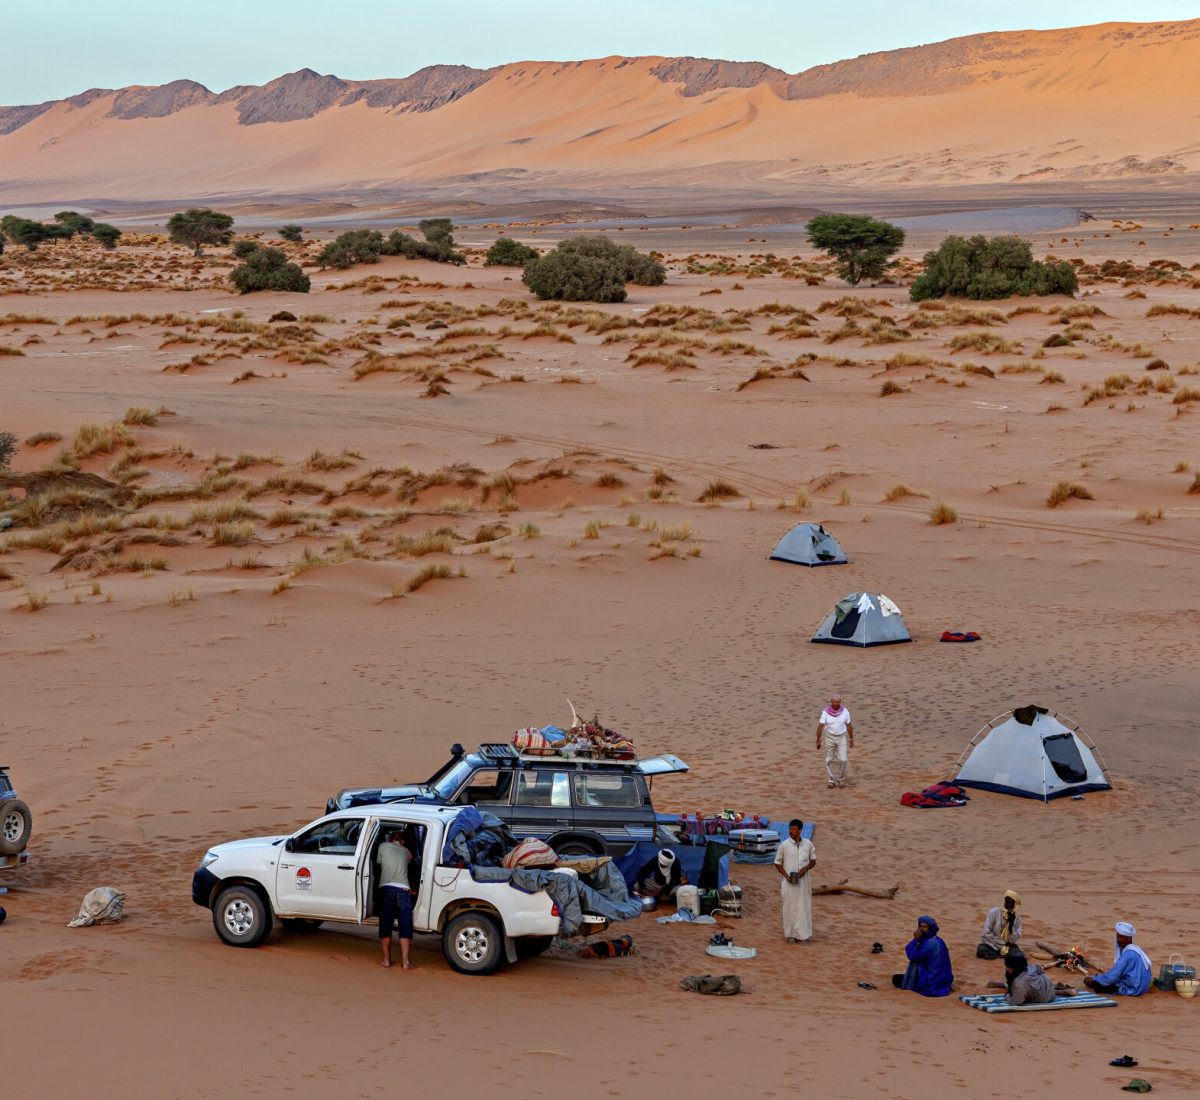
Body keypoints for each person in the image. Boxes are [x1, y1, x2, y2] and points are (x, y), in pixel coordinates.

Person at [377, 829, 416, 969]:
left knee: (385, 925)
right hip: (403, 890)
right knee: (405, 925)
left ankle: (387, 960)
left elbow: (379, 863)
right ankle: (405, 962)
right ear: (403, 842)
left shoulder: (382, 846)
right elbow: (412, 859)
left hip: (386, 888)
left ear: (390, 839)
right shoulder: (406, 851)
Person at [773, 818, 816, 943]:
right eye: (790, 829)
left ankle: (803, 935)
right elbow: (777, 863)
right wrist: (786, 876)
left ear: (800, 830)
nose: (791, 831)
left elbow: (813, 861)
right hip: (788, 883)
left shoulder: (808, 844)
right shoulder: (784, 845)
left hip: (803, 883)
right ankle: (791, 934)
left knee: (803, 906)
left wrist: (804, 870)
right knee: (789, 907)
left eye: (794, 829)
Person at [892, 915, 954, 996]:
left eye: (925, 927)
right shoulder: (938, 939)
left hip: (931, 981)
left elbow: (912, 956)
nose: (921, 929)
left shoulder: (929, 944)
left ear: (930, 928)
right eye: (920, 926)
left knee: (896, 979)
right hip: (941, 978)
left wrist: (915, 939)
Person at [1084, 922, 1151, 996]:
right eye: (1117, 936)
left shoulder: (1128, 955)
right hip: (1144, 988)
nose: (1118, 940)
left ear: (1129, 938)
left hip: (1133, 989)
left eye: (1121, 937)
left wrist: (1094, 979)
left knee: (1095, 984)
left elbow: (1110, 978)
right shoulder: (1137, 950)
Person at [986, 950, 1055, 1005]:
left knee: (1015, 987)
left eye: (1009, 967)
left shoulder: (1018, 985)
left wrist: (1007, 995)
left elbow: (1016, 1002)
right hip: (1048, 985)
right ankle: (1005, 985)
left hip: (1047, 998)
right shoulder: (1031, 967)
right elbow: (1040, 969)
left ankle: (1005, 985)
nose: (1007, 969)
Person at [816, 693, 854, 788]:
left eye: (838, 702)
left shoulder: (845, 712)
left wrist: (851, 738)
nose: (836, 704)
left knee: (844, 759)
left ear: (840, 702)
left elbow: (849, 725)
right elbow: (820, 726)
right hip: (829, 737)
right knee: (829, 759)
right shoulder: (825, 712)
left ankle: (840, 779)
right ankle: (831, 779)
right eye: (834, 702)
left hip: (841, 737)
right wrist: (818, 739)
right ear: (831, 702)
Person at [977, 889, 1022, 959]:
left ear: (1015, 904)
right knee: (981, 950)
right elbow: (985, 933)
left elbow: (1013, 940)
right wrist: (1002, 943)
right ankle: (1001, 955)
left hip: (1007, 946)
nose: (1009, 905)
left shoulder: (1017, 918)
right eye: (1007, 902)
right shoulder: (994, 912)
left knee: (1019, 954)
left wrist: (1011, 924)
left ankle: (1000, 954)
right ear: (1004, 902)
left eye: (1012, 903)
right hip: (991, 944)